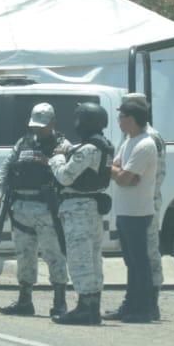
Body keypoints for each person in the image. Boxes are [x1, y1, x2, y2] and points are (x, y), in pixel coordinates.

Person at [0, 102, 70, 318]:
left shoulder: (63, 145)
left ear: (53, 122)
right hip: (21, 208)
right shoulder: (23, 142)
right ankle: (25, 300)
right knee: (24, 255)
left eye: (42, 125)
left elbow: (68, 175)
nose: (38, 129)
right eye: (35, 125)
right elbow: (6, 168)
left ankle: (60, 302)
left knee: (54, 255)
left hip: (48, 209)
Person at [49, 102, 114, 326]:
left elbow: (65, 177)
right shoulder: (102, 145)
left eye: (79, 119)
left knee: (80, 258)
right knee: (93, 258)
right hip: (92, 207)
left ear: (85, 122)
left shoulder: (89, 149)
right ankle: (92, 306)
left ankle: (85, 308)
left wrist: (57, 157)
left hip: (77, 208)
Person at [106, 92, 167, 319]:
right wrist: (119, 171)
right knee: (132, 260)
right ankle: (132, 304)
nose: (118, 120)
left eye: (122, 113)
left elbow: (127, 177)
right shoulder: (129, 139)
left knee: (145, 258)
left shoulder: (149, 140)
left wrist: (120, 172)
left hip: (144, 204)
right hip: (126, 206)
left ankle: (148, 305)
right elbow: (117, 168)